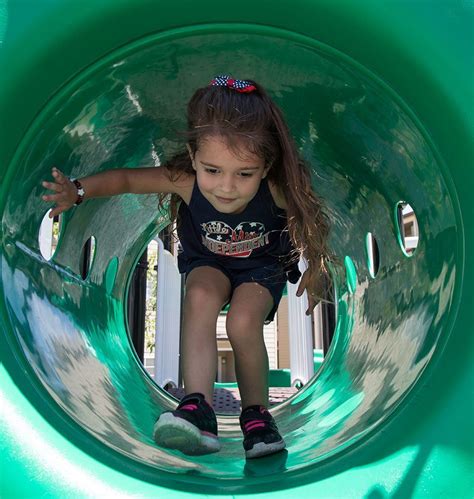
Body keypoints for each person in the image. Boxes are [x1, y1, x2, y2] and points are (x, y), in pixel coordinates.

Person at [42, 75, 333, 459]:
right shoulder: (184, 179)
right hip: (208, 261)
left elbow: (311, 218)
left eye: (243, 174)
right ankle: (198, 409)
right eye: (212, 170)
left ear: (265, 168)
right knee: (198, 296)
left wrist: (317, 270)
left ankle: (257, 418)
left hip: (261, 268)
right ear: (194, 157)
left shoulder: (276, 188)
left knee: (242, 323)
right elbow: (128, 179)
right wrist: (78, 191)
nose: (226, 187)